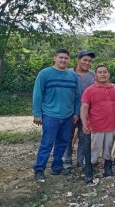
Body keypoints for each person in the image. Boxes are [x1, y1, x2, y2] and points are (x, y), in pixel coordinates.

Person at [32, 49, 80, 182]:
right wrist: (37, 114)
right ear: (55, 58)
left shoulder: (73, 76)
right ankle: (39, 169)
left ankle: (57, 167)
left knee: (63, 142)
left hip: (68, 116)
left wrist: (76, 112)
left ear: (69, 60)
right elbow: (37, 94)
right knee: (47, 143)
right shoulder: (45, 73)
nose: (63, 60)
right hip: (50, 114)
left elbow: (77, 97)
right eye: (61, 57)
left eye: (66, 58)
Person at [81, 65, 115, 183]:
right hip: (96, 126)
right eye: (100, 72)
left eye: (105, 72)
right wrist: (84, 122)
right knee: (93, 150)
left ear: (108, 74)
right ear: (95, 75)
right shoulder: (89, 90)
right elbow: (84, 107)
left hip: (113, 125)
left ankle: (108, 170)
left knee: (110, 150)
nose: (103, 74)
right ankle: (88, 174)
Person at [63, 50, 96, 170]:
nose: (87, 63)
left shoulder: (93, 76)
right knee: (67, 136)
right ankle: (67, 160)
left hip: (87, 113)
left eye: (89, 61)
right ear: (78, 60)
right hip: (69, 111)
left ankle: (81, 160)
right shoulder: (67, 73)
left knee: (84, 136)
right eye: (85, 60)